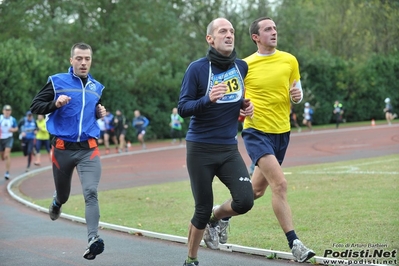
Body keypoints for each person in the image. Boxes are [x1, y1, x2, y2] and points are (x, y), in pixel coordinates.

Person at [178, 17, 254, 266]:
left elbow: (236, 101)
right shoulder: (197, 69)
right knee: (201, 207)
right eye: (223, 31)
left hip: (228, 148)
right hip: (200, 149)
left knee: (245, 200)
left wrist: (244, 106)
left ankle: (216, 218)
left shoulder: (241, 67)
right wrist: (207, 99)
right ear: (210, 39)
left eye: (231, 31)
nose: (229, 35)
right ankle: (191, 259)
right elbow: (183, 108)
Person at [240, 17, 315, 263]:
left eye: (274, 28)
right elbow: (236, 100)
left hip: (281, 132)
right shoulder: (244, 65)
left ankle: (218, 217)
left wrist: (297, 96)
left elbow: (297, 93)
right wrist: (243, 109)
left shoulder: (289, 60)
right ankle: (295, 243)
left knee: (255, 191)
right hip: (256, 131)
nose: (274, 32)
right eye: (268, 29)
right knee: (280, 185)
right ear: (256, 37)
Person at [30, 42, 106, 260]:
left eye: (87, 59)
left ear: (91, 60)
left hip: (88, 150)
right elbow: (35, 106)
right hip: (62, 150)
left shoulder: (96, 87)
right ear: (71, 60)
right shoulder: (57, 82)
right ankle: (57, 202)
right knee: (63, 194)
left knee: (91, 192)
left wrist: (99, 113)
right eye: (79, 58)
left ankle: (93, 239)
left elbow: (93, 111)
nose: (83, 63)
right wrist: (55, 103)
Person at [0, 104, 19, 180]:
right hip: (1, 138)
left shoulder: (12, 119)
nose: (7, 112)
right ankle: (3, 156)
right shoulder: (0, 118)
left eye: (9, 110)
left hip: (9, 138)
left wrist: (13, 130)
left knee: (7, 155)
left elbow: (16, 128)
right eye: (6, 110)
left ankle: (7, 172)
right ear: (3, 111)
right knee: (3, 157)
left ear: (10, 112)